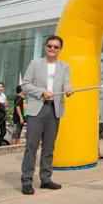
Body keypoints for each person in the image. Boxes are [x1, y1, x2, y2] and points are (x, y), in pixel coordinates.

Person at [20, 35, 72, 195]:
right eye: (50, 46)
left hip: (54, 109)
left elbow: (67, 82)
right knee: (31, 145)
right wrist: (41, 92)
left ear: (60, 49)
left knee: (49, 147)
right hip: (37, 108)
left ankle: (46, 179)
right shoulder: (35, 63)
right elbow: (25, 85)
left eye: (56, 47)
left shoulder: (65, 66)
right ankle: (27, 181)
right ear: (45, 47)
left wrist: (68, 89)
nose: (52, 49)